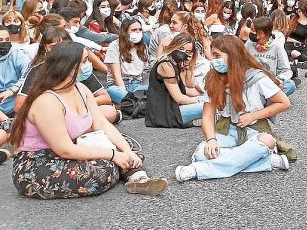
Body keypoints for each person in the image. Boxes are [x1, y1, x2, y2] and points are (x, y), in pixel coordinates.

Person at [9, 41, 167, 199]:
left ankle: (138, 178)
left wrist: (126, 151)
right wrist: (113, 155)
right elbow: (64, 149)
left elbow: (102, 124)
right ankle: (128, 171)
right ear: (70, 67)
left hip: (73, 146)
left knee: (127, 145)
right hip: (39, 162)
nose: (89, 64)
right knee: (102, 170)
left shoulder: (80, 88)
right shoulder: (47, 101)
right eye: (85, 61)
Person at [174, 36, 292, 182]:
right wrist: (211, 139)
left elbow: (284, 102)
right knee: (201, 153)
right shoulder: (213, 78)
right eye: (213, 55)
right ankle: (265, 161)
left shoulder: (256, 77)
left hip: (254, 130)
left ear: (232, 54)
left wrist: (252, 116)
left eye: (217, 55)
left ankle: (197, 170)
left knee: (267, 140)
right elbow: (208, 115)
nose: (213, 60)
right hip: (227, 129)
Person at [145, 33, 203, 128]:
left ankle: (200, 118)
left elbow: (189, 85)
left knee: (208, 101)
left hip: (171, 108)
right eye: (181, 49)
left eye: (188, 51)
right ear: (174, 46)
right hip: (166, 113)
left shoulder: (175, 63)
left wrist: (189, 66)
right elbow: (178, 97)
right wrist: (198, 100)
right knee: (208, 106)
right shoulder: (166, 65)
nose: (184, 53)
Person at [245, 17, 296, 96]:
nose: (250, 32)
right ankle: (271, 99)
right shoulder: (249, 43)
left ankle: (268, 98)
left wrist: (278, 81)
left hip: (270, 83)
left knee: (291, 84)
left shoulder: (277, 46)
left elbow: (286, 70)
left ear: (262, 33)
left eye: (252, 30)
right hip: (252, 81)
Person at [104, 19, 148, 104]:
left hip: (137, 85)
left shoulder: (143, 47)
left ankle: (133, 103)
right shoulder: (114, 46)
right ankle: (133, 102)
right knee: (113, 91)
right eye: (134, 30)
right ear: (125, 32)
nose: (138, 32)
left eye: (140, 30)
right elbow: (116, 75)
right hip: (117, 86)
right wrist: (124, 92)